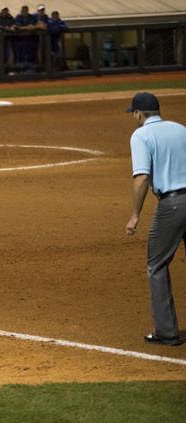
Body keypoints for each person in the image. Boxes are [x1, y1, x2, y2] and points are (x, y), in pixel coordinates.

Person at [125, 92, 186, 346]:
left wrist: (135, 215)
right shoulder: (181, 129)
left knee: (157, 265)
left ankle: (166, 331)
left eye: (133, 113)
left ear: (139, 113)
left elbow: (142, 178)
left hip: (172, 206)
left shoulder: (141, 135)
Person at [14, 5, 38, 73]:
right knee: (20, 56)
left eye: (26, 10)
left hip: (30, 39)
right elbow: (17, 27)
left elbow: (35, 25)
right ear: (21, 11)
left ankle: (30, 70)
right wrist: (27, 27)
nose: (25, 12)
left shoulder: (31, 17)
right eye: (23, 10)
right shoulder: (18, 17)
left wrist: (31, 27)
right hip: (20, 40)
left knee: (31, 55)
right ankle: (21, 71)